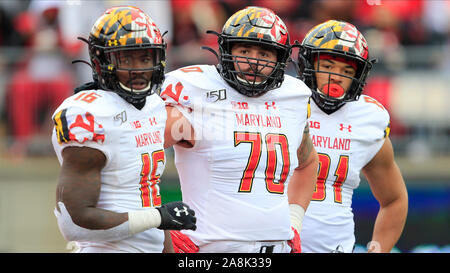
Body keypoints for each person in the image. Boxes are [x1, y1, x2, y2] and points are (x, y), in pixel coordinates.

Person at [161, 6, 319, 253]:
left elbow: (308, 163)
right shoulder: (196, 89)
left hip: (275, 248)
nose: (253, 62)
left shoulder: (293, 96)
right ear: (226, 50)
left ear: (280, 59)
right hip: (208, 248)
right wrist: (152, 223)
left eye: (264, 54)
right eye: (245, 50)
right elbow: (138, 150)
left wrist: (295, 221)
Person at [51, 6, 196, 253]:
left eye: (145, 57)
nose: (138, 68)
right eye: (125, 58)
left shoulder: (154, 105)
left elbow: (149, 194)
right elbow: (74, 224)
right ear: (101, 60)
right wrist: (158, 217)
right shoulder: (88, 114)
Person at [295, 20, 408, 253]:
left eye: (347, 71)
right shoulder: (283, 102)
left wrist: (378, 248)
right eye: (327, 66)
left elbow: (394, 200)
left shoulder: (368, 119)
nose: (336, 76)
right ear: (308, 64)